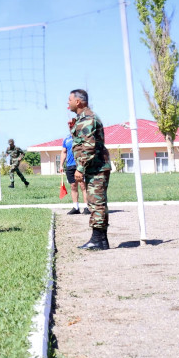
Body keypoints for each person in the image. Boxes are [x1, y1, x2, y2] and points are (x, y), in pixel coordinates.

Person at [68, 89, 110, 250]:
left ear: (78, 101)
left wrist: (79, 168)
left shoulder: (88, 119)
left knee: (96, 203)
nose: (68, 102)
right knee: (96, 202)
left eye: (70, 99)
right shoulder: (82, 119)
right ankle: (102, 240)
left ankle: (97, 240)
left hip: (96, 167)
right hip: (94, 167)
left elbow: (88, 147)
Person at [62, 130, 88, 215]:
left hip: (80, 164)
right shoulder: (66, 139)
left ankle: (87, 207)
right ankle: (76, 207)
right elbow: (64, 152)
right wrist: (61, 165)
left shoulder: (82, 137)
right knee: (73, 186)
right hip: (70, 166)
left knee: (83, 185)